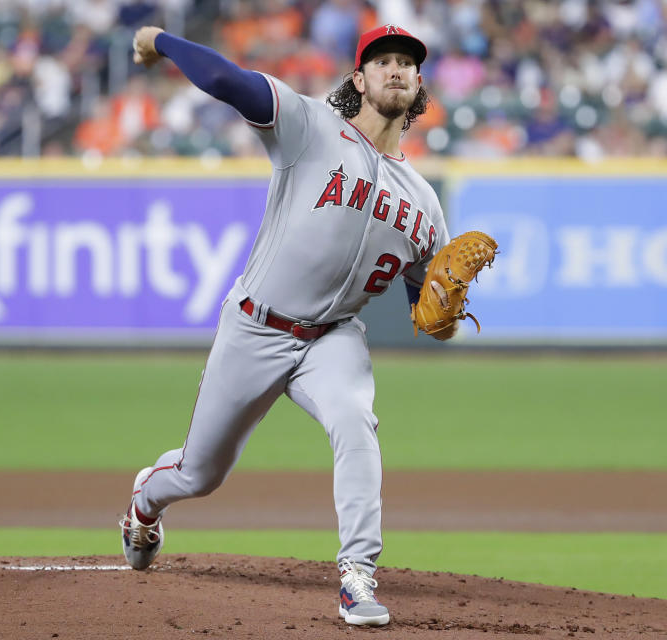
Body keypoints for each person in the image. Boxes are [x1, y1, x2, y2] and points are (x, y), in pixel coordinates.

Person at [121, 23, 454, 627]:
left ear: (419, 83)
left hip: (334, 339)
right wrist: (160, 40)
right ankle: (147, 499)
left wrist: (443, 316)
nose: (396, 69)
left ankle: (357, 574)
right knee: (201, 473)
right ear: (359, 78)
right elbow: (225, 80)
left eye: (407, 62)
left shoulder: (425, 205)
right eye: (383, 61)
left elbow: (427, 313)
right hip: (256, 326)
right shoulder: (309, 126)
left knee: (356, 421)